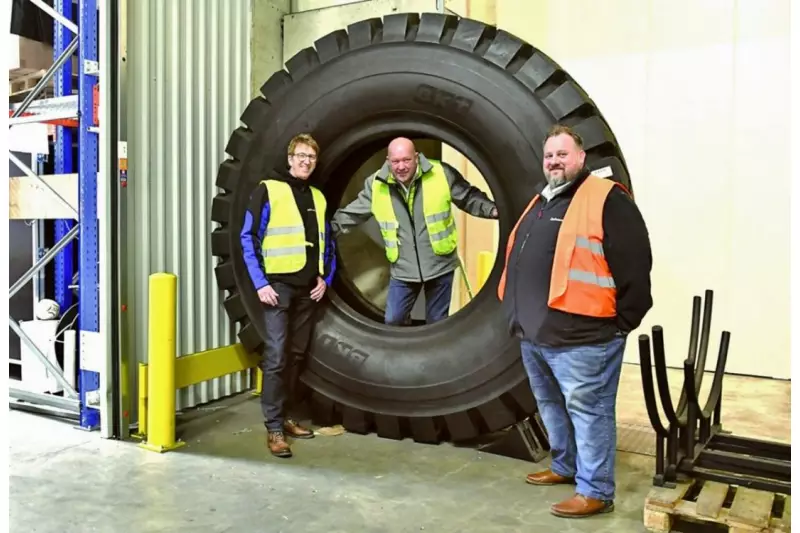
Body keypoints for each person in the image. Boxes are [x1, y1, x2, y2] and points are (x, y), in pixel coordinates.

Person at [497, 124, 653, 518]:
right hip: (536, 334)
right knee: (551, 405)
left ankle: (596, 489)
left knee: (590, 411)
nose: (554, 162)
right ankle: (565, 466)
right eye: (549, 155)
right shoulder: (542, 200)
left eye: (562, 155)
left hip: (585, 337)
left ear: (581, 158)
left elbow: (636, 263)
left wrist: (622, 322)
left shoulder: (605, 198)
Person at [331, 137, 498, 325]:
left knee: (436, 323)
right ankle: (406, 351)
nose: (401, 166)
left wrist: (492, 210)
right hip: (403, 270)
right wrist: (326, 231)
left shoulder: (441, 173)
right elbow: (354, 214)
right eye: (395, 161)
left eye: (406, 160)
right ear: (388, 161)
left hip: (440, 266)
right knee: (393, 320)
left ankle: (434, 353)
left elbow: (467, 197)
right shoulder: (377, 184)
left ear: (416, 157)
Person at [240, 133, 336, 458]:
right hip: (277, 288)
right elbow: (248, 237)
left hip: (309, 289)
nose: (306, 161)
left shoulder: (319, 198)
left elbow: (329, 243)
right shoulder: (268, 190)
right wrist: (260, 284)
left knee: (296, 356)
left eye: (311, 157)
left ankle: (290, 417)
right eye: (301, 155)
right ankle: (274, 428)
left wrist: (326, 278)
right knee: (277, 357)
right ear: (290, 158)